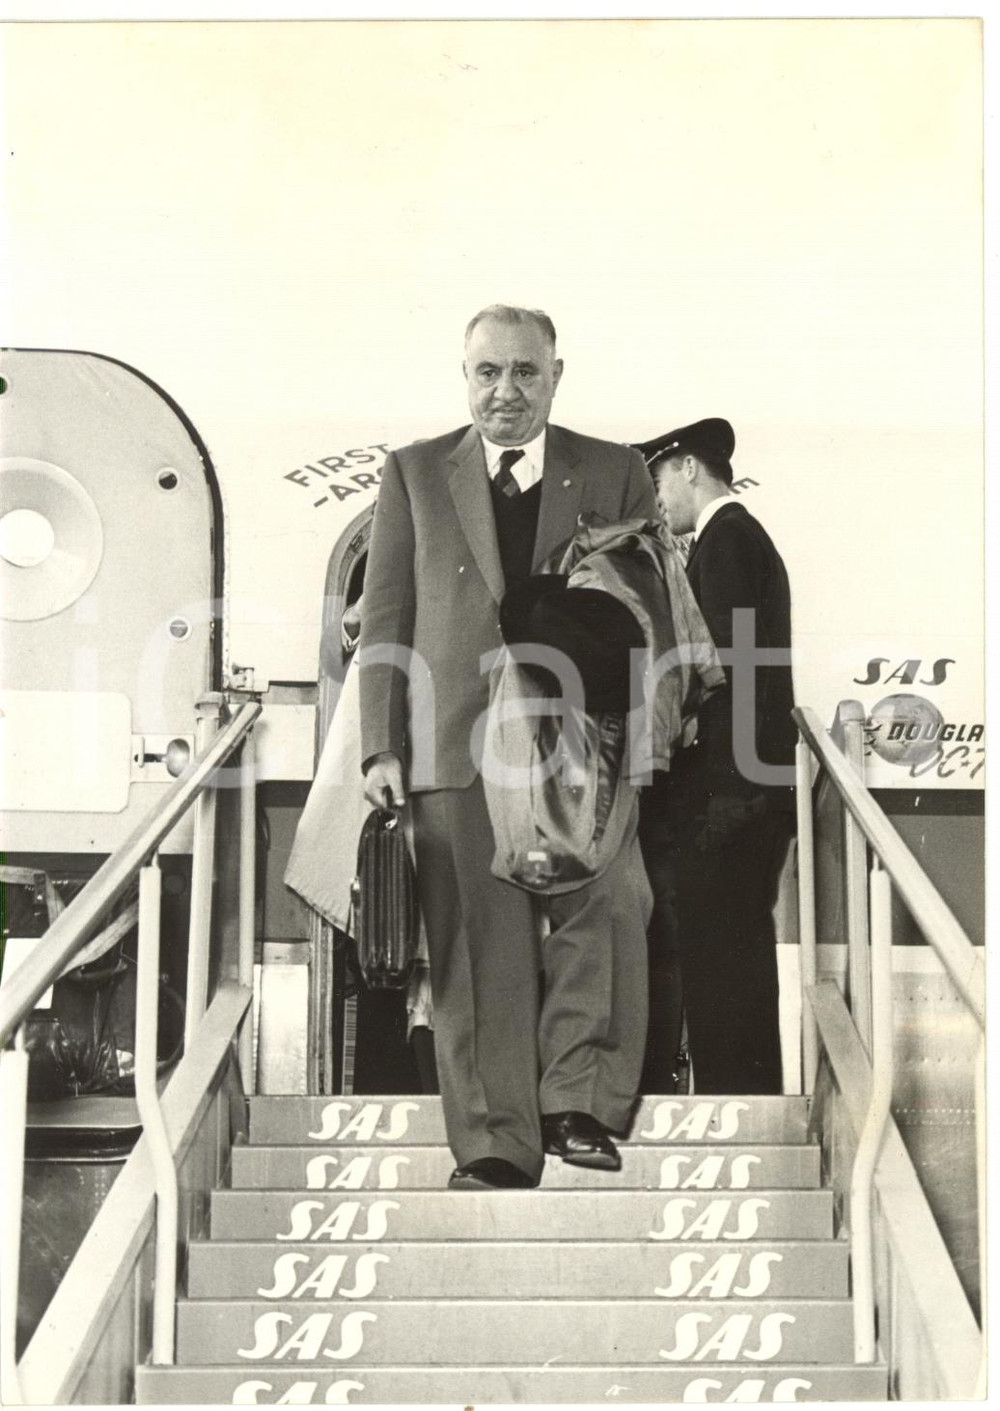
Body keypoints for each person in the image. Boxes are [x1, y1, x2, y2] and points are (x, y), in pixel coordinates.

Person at [358, 305, 657, 1189]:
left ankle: (580, 1103)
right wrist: (381, 745)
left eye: (526, 372)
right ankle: (496, 1141)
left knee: (607, 908)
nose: (506, 392)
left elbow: (652, 612)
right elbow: (385, 615)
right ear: (465, 376)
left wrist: (640, 740)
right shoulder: (413, 474)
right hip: (453, 737)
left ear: (557, 376)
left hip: (583, 742)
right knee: (472, 944)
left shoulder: (616, 470)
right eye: (487, 372)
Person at [634, 418, 796, 1095]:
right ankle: (743, 1102)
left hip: (728, 798)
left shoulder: (726, 543)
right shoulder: (738, 541)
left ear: (689, 469)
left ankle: (735, 1110)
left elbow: (718, 674)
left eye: (659, 482)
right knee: (736, 960)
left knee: (724, 963)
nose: (656, 502)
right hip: (743, 796)